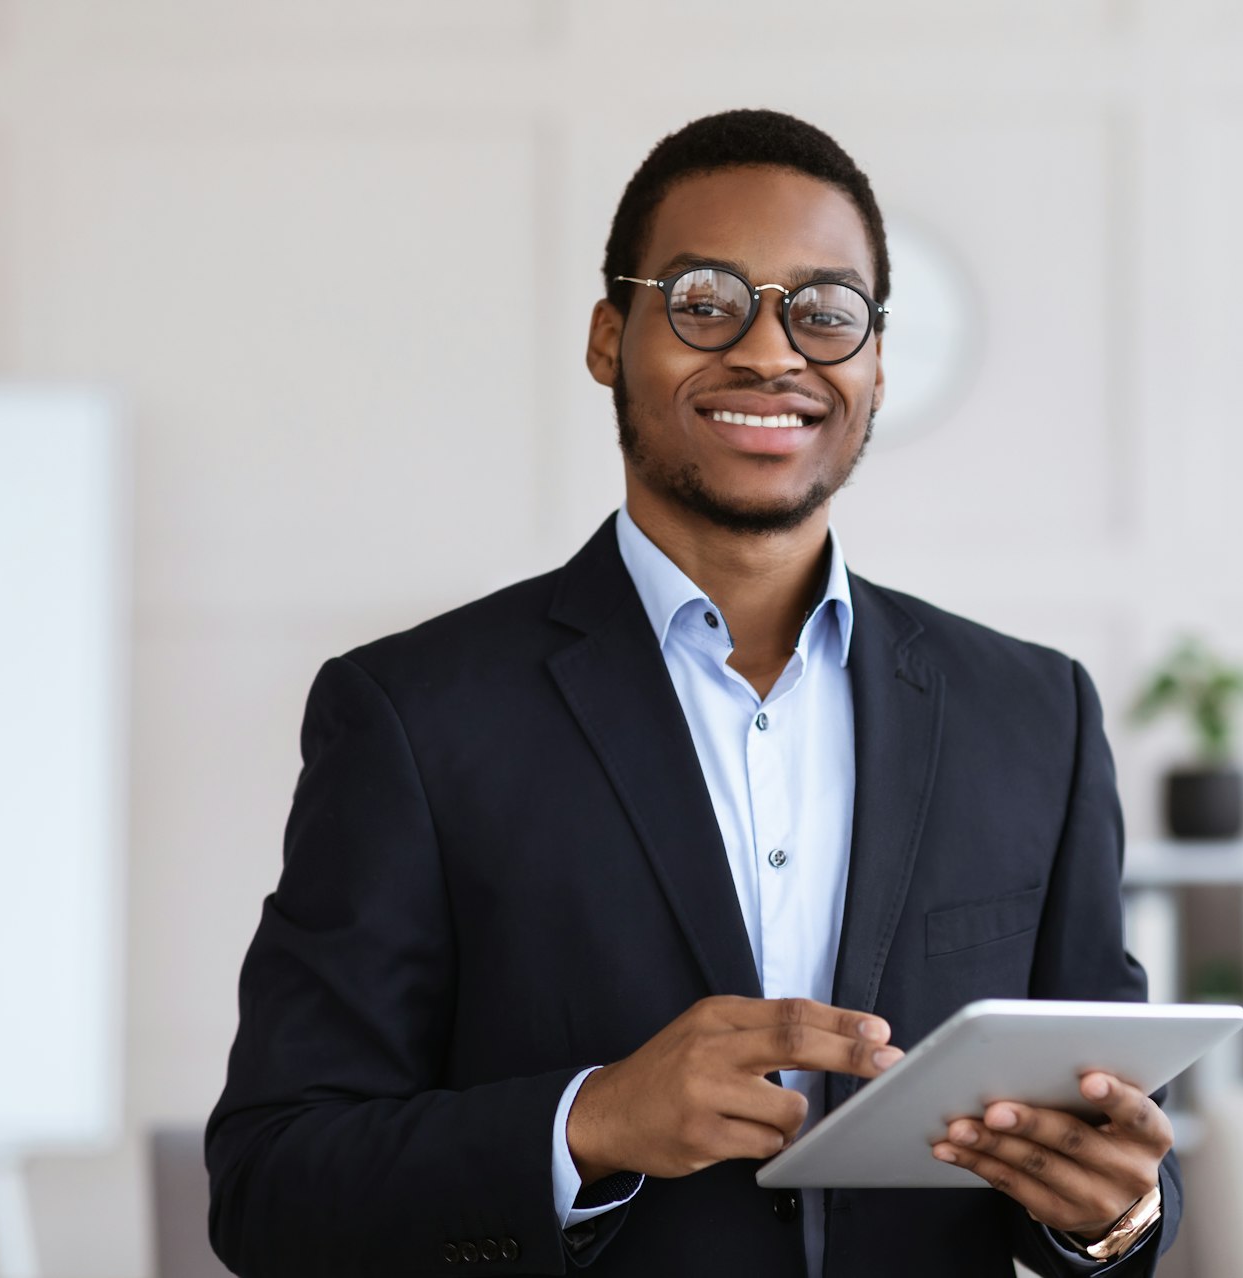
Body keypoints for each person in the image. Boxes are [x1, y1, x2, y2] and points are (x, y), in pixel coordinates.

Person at [206, 108, 1180, 1277]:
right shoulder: (413, 716)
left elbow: (1115, 1145)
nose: (772, 354)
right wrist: (593, 1121)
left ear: (873, 360)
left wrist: (1109, 1213)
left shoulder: (1034, 716)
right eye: (706, 300)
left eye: (824, 313)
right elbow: (270, 1190)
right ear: (609, 337)